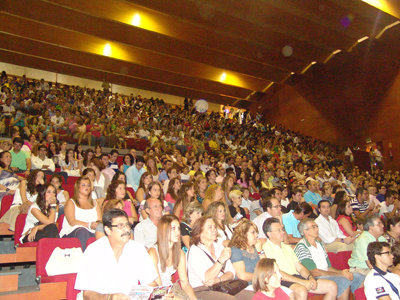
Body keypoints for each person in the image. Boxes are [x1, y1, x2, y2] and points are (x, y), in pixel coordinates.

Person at [75, 209, 160, 299]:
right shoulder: (93, 251)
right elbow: (87, 294)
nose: (127, 229)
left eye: (127, 225)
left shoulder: (137, 249)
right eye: (120, 226)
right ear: (108, 230)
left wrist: (161, 294)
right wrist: (110, 297)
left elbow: (150, 283)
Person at [262, 217, 336, 300]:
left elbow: (300, 267)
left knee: (332, 286)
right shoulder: (265, 248)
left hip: (297, 277)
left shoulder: (287, 247)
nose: (282, 232)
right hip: (282, 280)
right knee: (301, 290)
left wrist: (310, 277)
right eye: (278, 230)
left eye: (282, 229)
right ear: (269, 234)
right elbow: (277, 272)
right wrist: (302, 282)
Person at [295, 219, 364, 300]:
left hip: (325, 273)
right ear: (305, 231)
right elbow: (313, 271)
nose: (317, 229)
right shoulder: (302, 246)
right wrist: (340, 274)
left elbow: (329, 267)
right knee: (343, 280)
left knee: (359, 276)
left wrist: (342, 272)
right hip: (314, 277)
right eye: (313, 227)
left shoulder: (319, 244)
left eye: (317, 226)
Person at [187, 216, 253, 300]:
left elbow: (231, 273)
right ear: (199, 232)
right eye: (210, 227)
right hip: (202, 290)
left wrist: (219, 279)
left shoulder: (218, 247)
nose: (214, 229)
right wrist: (221, 259)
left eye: (214, 226)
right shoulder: (195, 251)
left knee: (254, 295)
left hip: (223, 286)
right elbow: (207, 278)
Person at [148, 215, 197, 300]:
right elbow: (160, 288)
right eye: (173, 229)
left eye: (178, 228)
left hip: (172, 289)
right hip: (158, 293)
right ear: (163, 231)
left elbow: (185, 283)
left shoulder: (180, 253)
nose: (177, 232)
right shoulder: (153, 253)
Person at [60, 176, 102, 250]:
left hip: (92, 230)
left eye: (88, 185)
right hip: (73, 232)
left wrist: (97, 224)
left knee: (103, 230)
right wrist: (89, 225)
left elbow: (100, 219)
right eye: (83, 185)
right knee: (83, 232)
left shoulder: (95, 203)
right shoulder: (71, 202)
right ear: (78, 187)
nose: (87, 187)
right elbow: (72, 222)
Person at [229, 219, 265, 285]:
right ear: (243, 234)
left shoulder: (257, 247)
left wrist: (260, 251)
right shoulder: (236, 250)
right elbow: (242, 275)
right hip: (246, 286)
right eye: (253, 232)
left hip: (261, 284)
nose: (256, 235)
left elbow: (267, 268)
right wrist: (262, 277)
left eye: (256, 233)